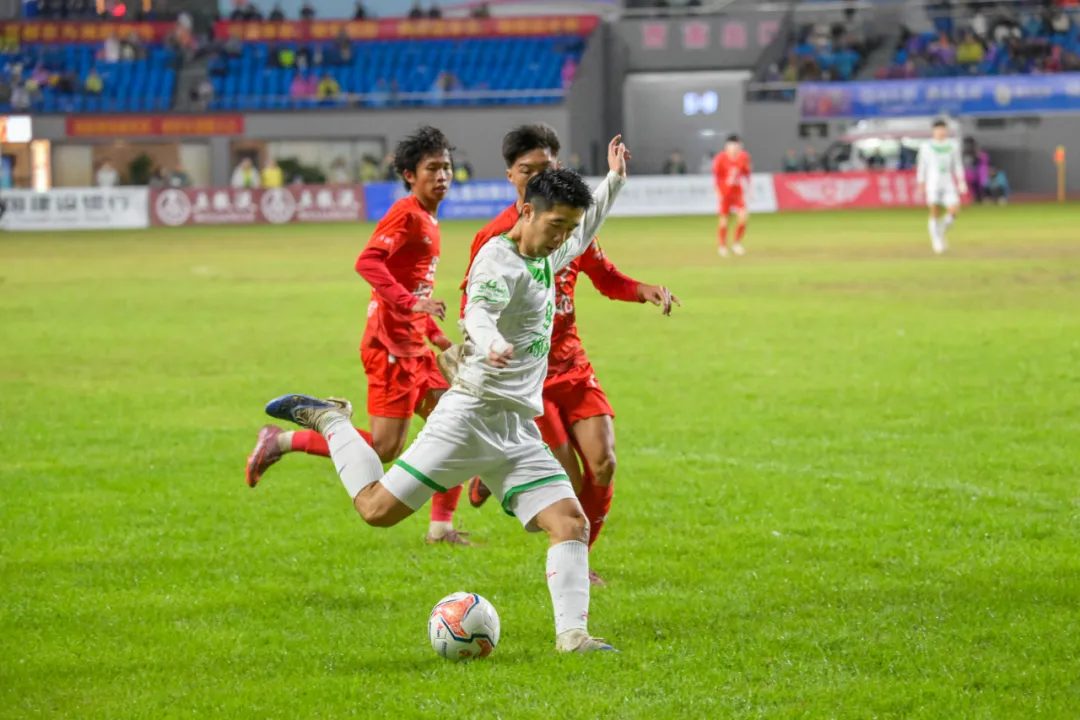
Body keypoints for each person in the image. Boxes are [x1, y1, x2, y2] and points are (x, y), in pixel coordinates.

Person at [263, 143, 630, 653]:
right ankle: (332, 422)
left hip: (515, 429)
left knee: (570, 522)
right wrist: (491, 342)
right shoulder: (497, 261)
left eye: (568, 228)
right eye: (556, 226)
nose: (564, 237)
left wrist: (614, 180)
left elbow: (587, 228)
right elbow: (477, 312)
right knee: (375, 510)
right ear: (526, 212)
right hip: (468, 417)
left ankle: (574, 638)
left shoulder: (551, 249)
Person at [454, 125, 677, 585]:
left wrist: (644, 290)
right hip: (526, 377)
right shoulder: (495, 237)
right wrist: (484, 348)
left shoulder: (570, 225)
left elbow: (605, 276)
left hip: (572, 364)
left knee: (604, 463)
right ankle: (501, 475)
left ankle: (579, 558)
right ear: (511, 175)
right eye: (527, 170)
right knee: (568, 481)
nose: (538, 176)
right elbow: (473, 308)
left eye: (547, 168)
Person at [246, 127, 470, 545]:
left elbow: (415, 286)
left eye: (446, 167)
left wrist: (437, 337)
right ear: (410, 175)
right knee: (384, 449)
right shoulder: (407, 213)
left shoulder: (429, 218)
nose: (442, 175)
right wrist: (411, 304)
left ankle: (441, 528)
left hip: (414, 347)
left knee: (457, 424)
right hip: (388, 347)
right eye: (432, 168)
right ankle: (283, 440)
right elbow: (368, 262)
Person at [916, 119, 967, 255]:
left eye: (943, 129)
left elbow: (957, 164)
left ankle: (940, 231)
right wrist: (921, 183)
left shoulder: (952, 145)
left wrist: (961, 181)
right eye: (938, 129)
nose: (941, 131)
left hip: (948, 183)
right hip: (932, 183)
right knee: (935, 212)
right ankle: (936, 240)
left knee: (954, 211)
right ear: (934, 131)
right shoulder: (926, 146)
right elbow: (922, 166)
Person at [712, 133, 752, 257]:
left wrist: (749, 190)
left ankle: (736, 243)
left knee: (743, 217)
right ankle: (722, 246)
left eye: (738, 146)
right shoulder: (720, 158)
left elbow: (747, 173)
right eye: (733, 145)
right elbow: (716, 177)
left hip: (737, 192)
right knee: (724, 220)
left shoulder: (744, 157)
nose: (736, 148)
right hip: (725, 193)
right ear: (727, 146)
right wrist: (718, 192)